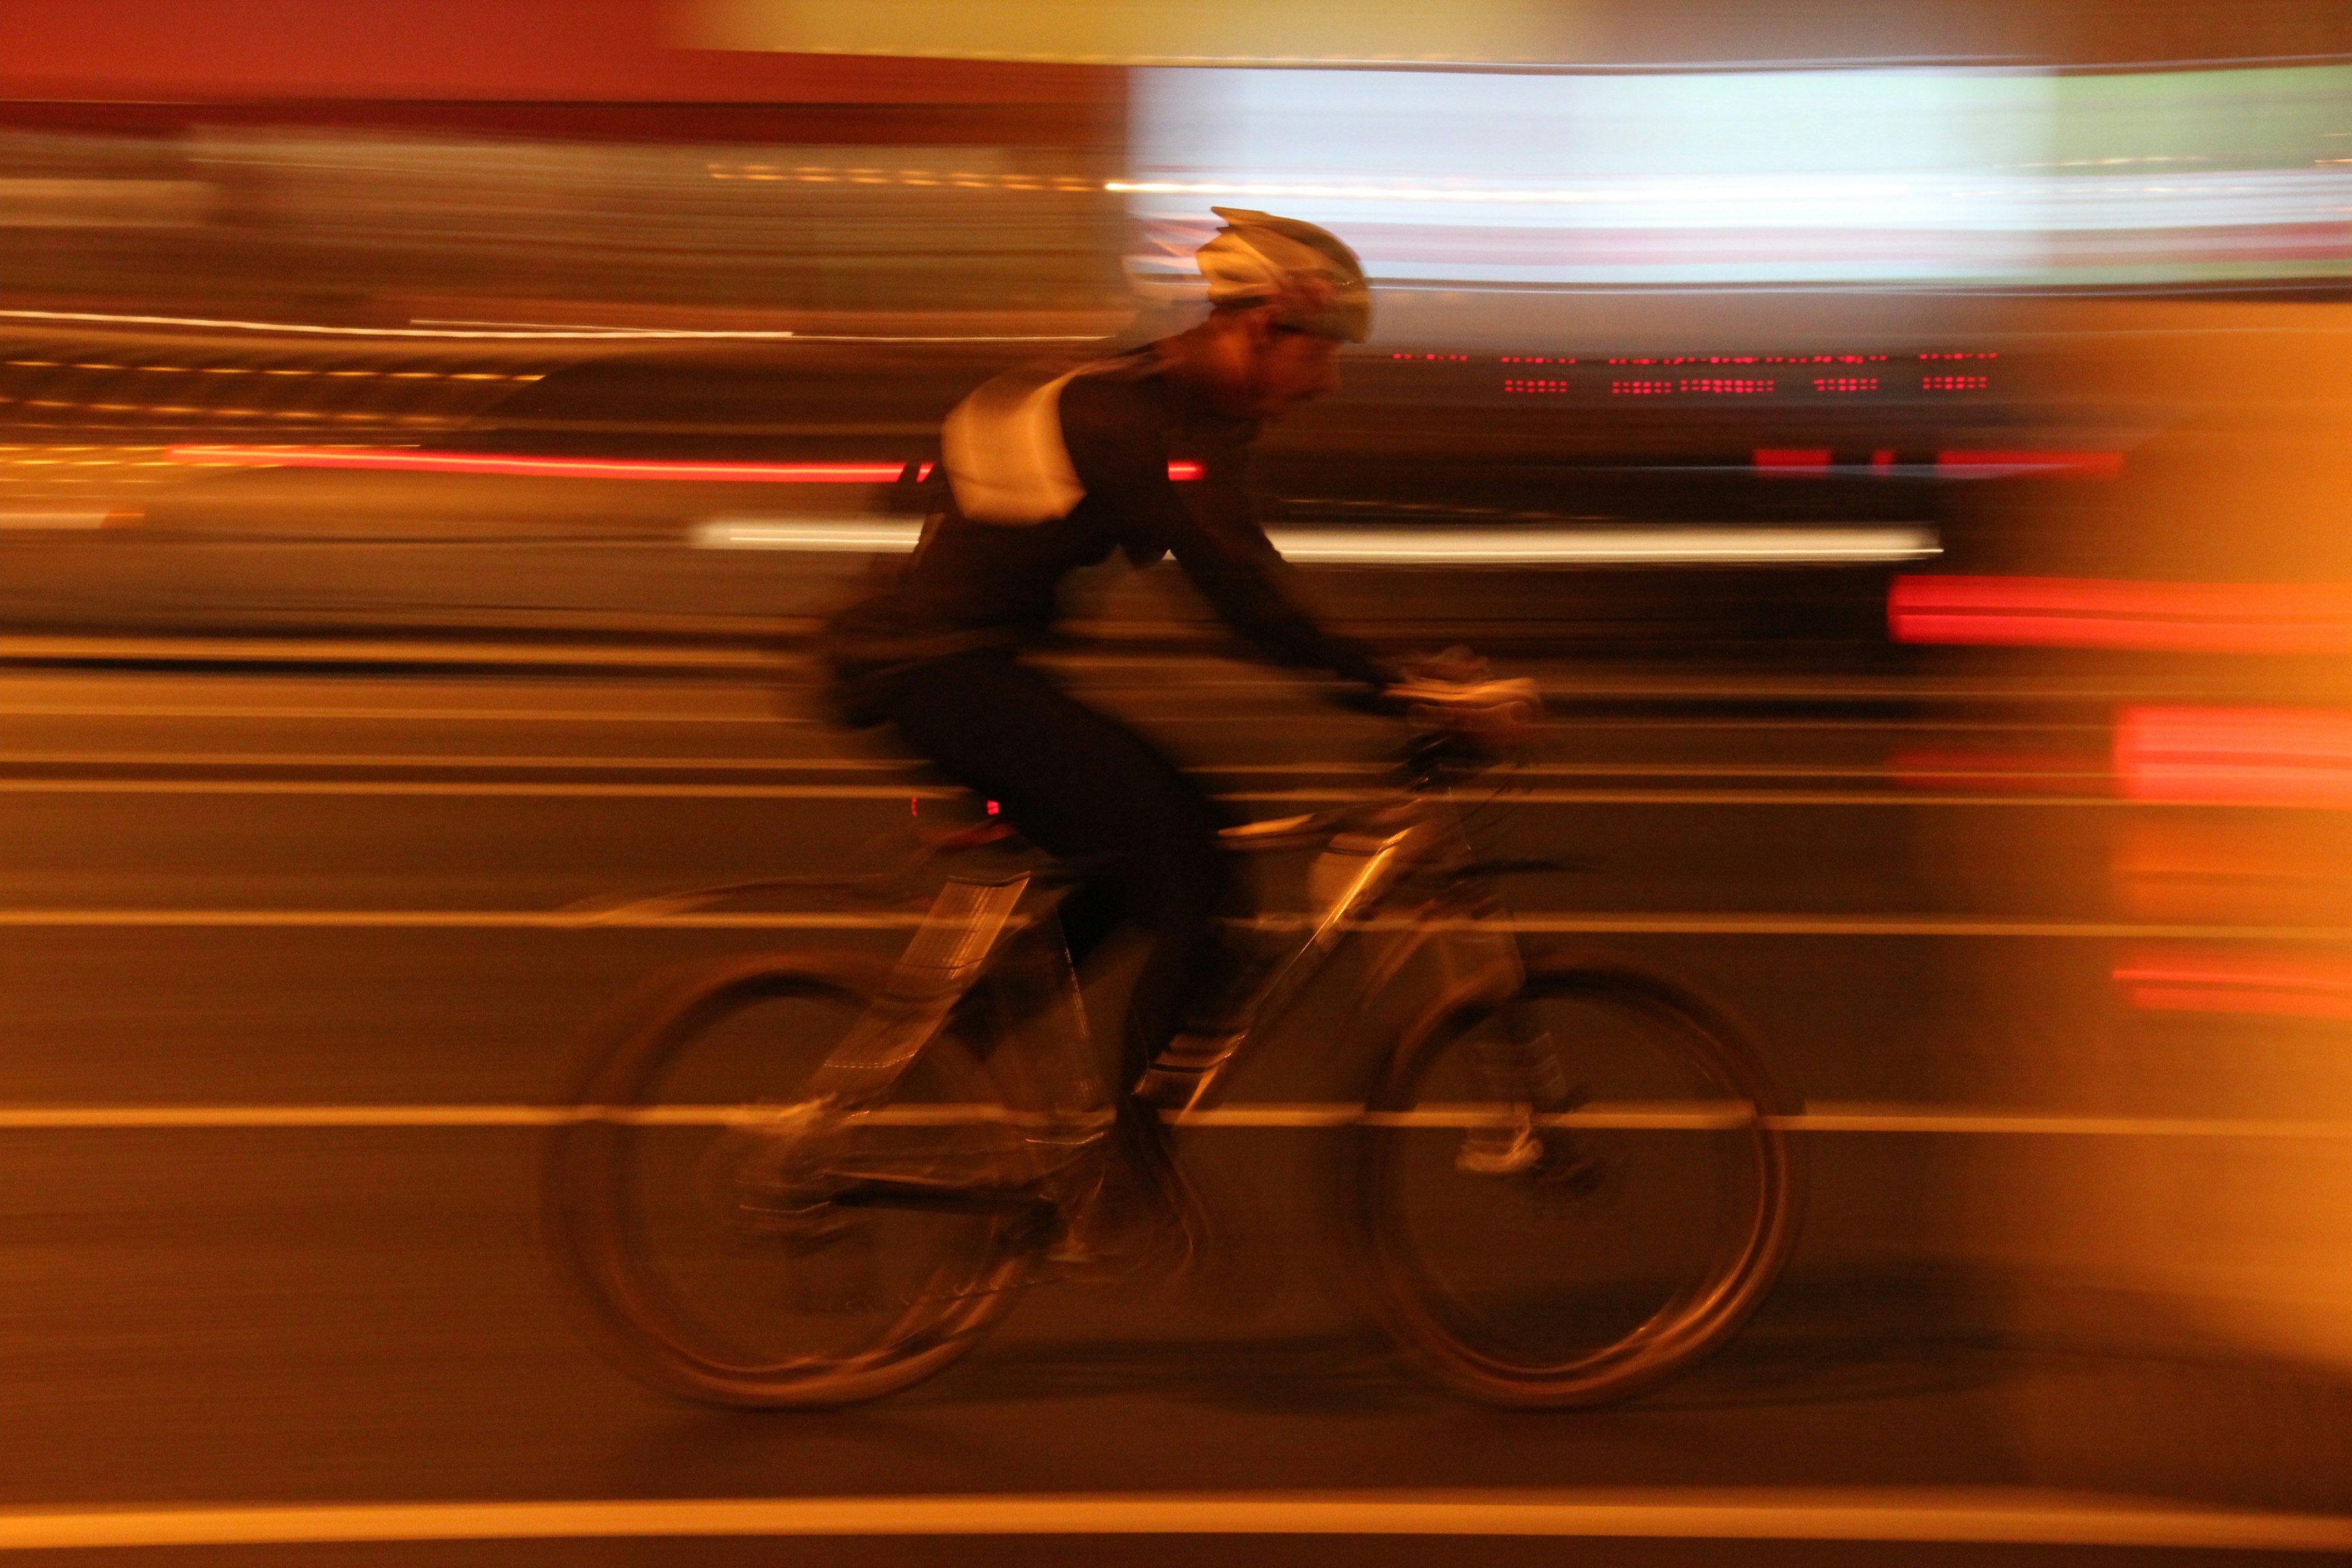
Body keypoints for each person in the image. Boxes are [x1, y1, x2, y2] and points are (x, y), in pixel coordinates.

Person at [823, 208, 1394, 1247]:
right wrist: (1401, 692)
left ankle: (962, 1065)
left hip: (952, 667)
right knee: (1197, 857)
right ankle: (1126, 1167)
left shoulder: (1167, 411)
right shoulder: (1138, 425)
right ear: (1266, 327)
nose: (1329, 384)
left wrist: (1378, 681)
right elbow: (1242, 598)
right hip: (937, 676)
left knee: (1143, 863)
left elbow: (1242, 580)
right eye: (1326, 351)